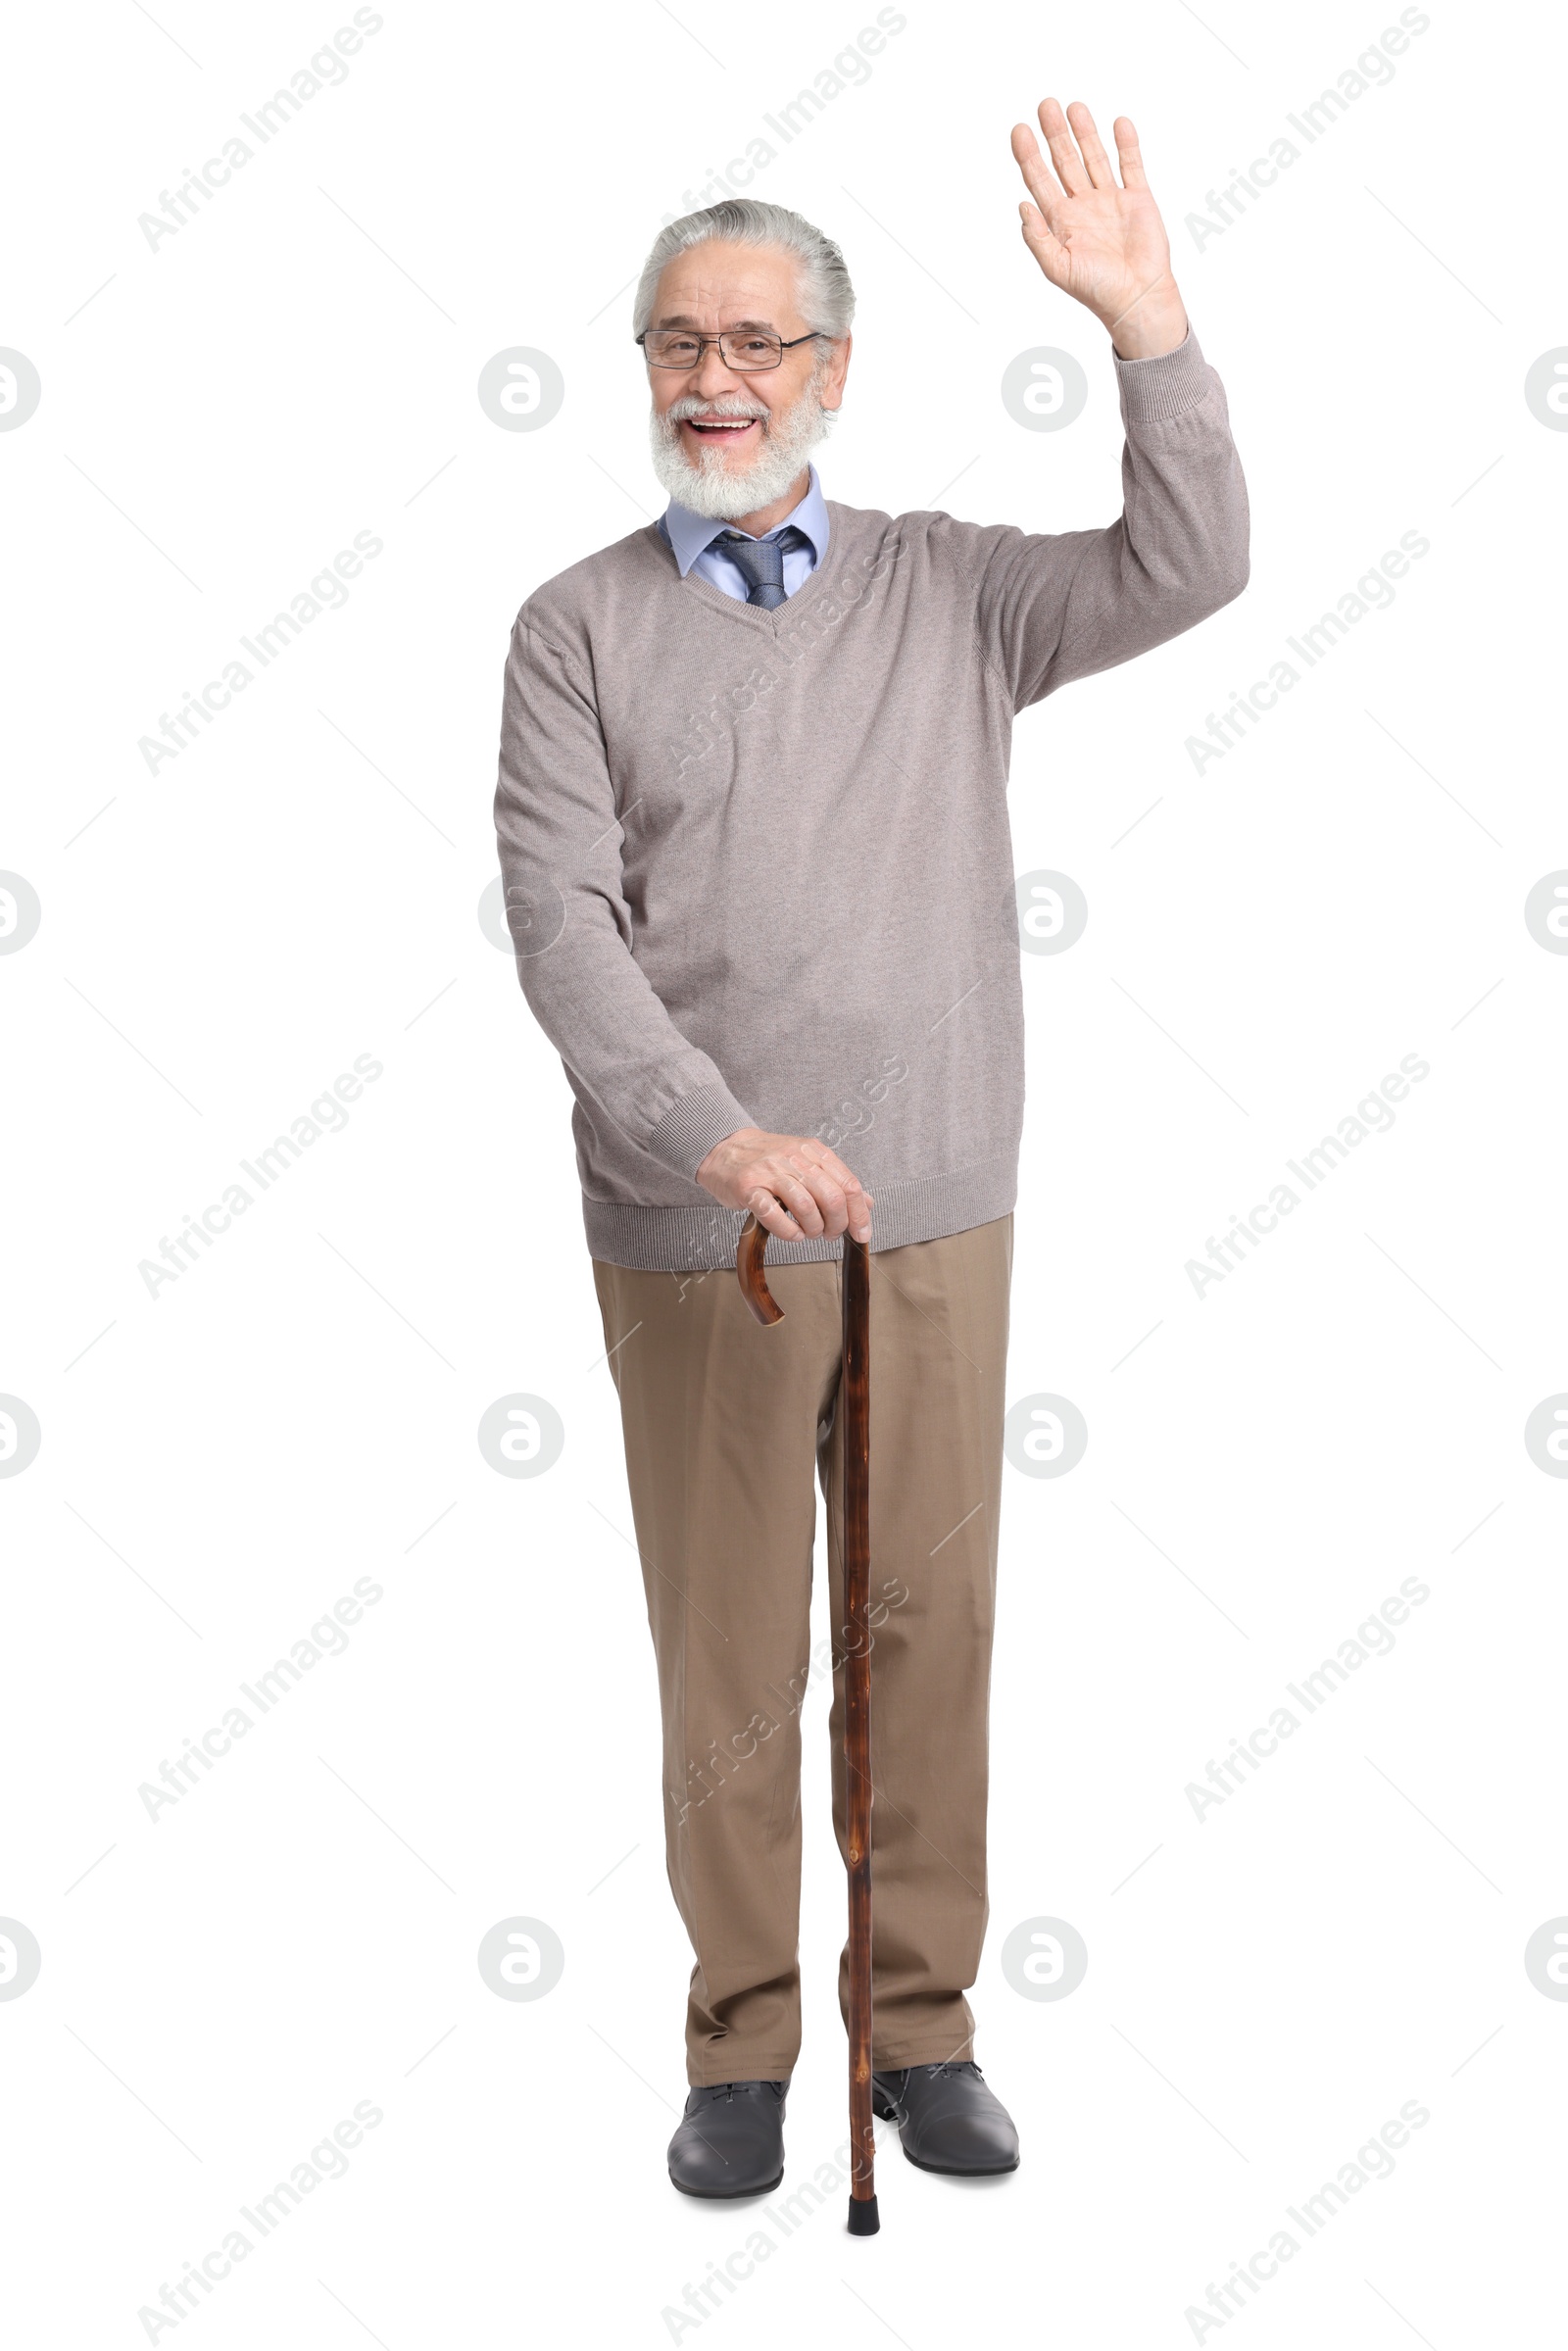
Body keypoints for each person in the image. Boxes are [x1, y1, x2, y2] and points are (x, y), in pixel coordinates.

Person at [494, 97, 1249, 2198]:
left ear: (829, 373)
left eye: (754, 343)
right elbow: (560, 925)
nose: (711, 380)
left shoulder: (949, 594)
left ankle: (916, 2036)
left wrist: (1148, 334)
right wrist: (712, 1133)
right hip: (694, 1225)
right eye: (675, 342)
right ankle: (740, 2050)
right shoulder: (573, 627)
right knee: (730, 1648)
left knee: (930, 1626)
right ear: (644, 368)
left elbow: (1189, 562)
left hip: (933, 1203)